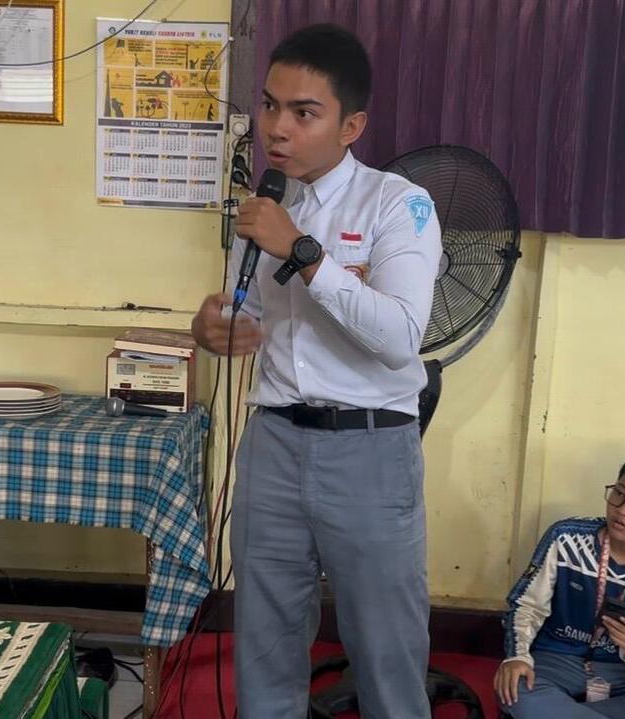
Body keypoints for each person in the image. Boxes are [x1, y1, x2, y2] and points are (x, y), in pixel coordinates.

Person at [190, 23, 442, 719]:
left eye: (304, 112)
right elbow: (245, 315)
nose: (278, 128)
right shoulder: (266, 207)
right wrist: (210, 328)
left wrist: (302, 250)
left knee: (386, 649)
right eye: (270, 105)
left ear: (350, 125)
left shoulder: (398, 204)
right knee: (265, 641)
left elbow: (400, 337)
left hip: (369, 448)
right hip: (273, 443)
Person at [496, 453, 625, 718]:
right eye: (619, 493)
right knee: (516, 689)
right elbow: (526, 605)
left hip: (623, 671)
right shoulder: (566, 538)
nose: (622, 509)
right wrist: (517, 657)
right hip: (558, 659)